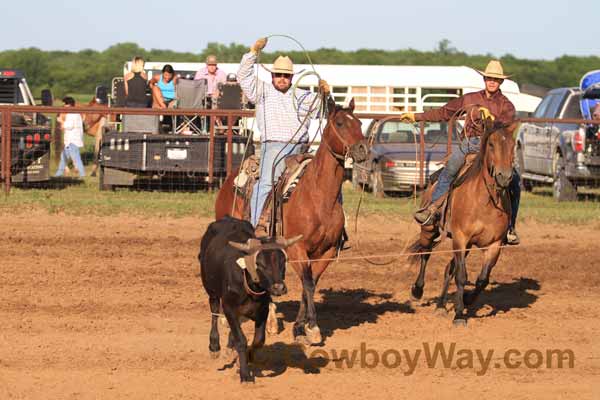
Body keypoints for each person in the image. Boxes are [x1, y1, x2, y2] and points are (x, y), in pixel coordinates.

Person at [400, 59, 521, 244]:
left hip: (494, 147)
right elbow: (444, 112)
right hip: (470, 144)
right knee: (451, 167)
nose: (492, 81)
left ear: (501, 82)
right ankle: (433, 209)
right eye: (489, 78)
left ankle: (510, 226)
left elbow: (507, 126)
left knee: (514, 181)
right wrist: (416, 116)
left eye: (496, 79)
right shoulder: (470, 99)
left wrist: (492, 120)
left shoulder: (506, 106)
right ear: (485, 79)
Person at [237, 37, 330, 232]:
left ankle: (336, 228)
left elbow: (326, 111)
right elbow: (243, 76)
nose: (281, 78)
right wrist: (253, 51)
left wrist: (326, 95)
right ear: (272, 75)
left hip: (302, 149)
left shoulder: (304, 95)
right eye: (278, 74)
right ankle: (253, 227)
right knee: (265, 184)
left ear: (292, 78)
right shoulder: (262, 90)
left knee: (328, 180)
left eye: (286, 76)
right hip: (274, 147)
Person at [55, 96, 86, 178]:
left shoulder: (72, 114)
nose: (64, 106)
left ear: (69, 105)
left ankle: (82, 174)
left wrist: (61, 121)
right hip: (72, 139)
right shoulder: (75, 113)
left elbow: (70, 126)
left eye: (65, 104)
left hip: (72, 140)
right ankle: (59, 174)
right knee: (64, 157)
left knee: (76, 158)